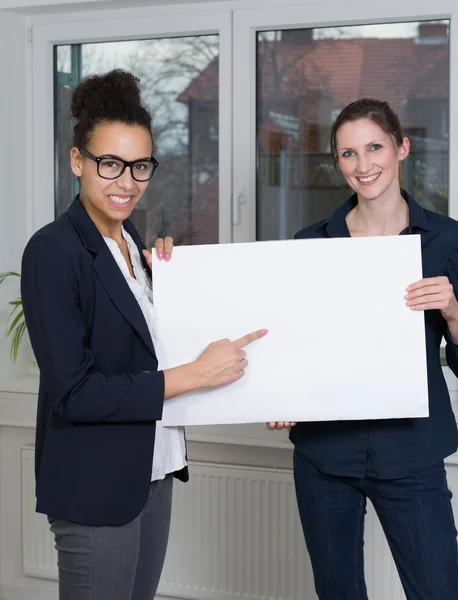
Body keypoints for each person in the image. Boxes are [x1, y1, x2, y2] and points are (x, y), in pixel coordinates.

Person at [20, 69, 267, 600]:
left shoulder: (135, 243)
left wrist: (173, 281)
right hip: (94, 483)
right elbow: (74, 391)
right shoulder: (53, 251)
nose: (127, 181)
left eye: (140, 166)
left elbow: (146, 344)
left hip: (152, 470)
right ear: (77, 161)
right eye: (110, 164)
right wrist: (192, 375)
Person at [268, 98, 458, 599]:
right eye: (348, 154)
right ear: (336, 163)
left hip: (413, 450)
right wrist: (279, 394)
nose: (363, 166)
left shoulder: (447, 240)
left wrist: (452, 310)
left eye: (374, 148)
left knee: (438, 591)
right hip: (325, 455)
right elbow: (295, 350)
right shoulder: (310, 244)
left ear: (401, 148)